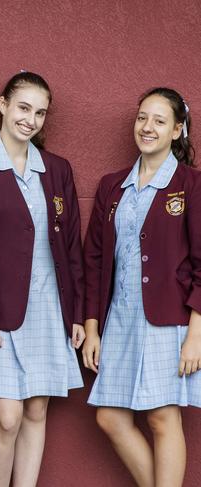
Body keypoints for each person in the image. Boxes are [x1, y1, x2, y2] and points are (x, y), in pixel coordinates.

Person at [0, 71, 85, 486]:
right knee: (6, 418)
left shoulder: (57, 169)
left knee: (36, 411)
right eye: (24, 107)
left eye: (40, 112)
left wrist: (76, 314)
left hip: (47, 309)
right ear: (4, 105)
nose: (31, 119)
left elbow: (72, 249)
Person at [82, 87, 200, 487]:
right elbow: (94, 259)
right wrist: (94, 327)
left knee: (162, 416)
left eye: (159, 121)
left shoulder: (191, 184)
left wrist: (196, 337)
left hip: (170, 321)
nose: (147, 127)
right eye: (142, 118)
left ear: (177, 130)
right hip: (120, 319)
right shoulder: (112, 186)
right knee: (110, 416)